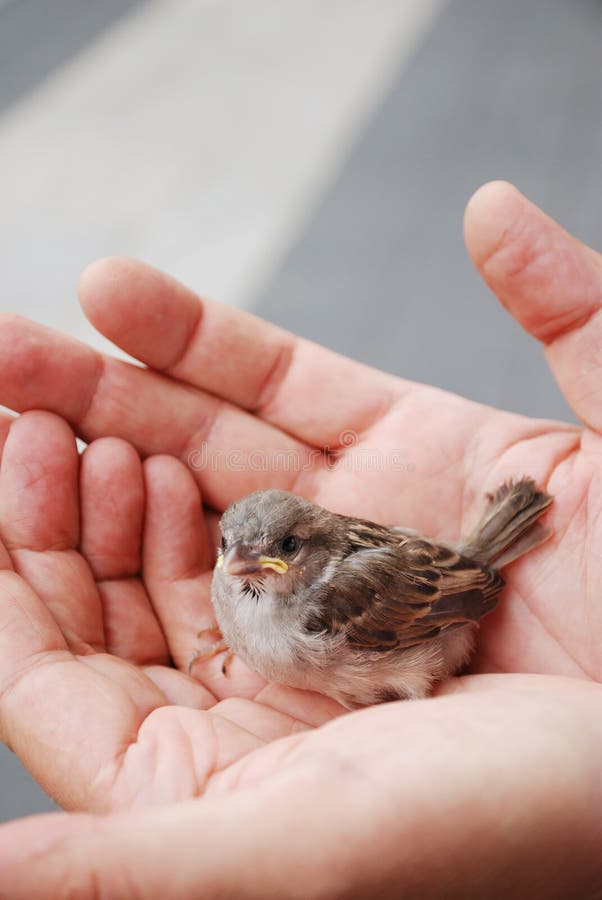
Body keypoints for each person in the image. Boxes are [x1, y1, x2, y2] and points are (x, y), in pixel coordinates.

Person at [0, 181, 599, 899]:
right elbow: (245, 576)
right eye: (233, 552)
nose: (246, 566)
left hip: (438, 618)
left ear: (309, 543)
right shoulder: (234, 575)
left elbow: (453, 600)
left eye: (274, 549)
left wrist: (416, 721)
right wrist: (238, 630)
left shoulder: (332, 604)